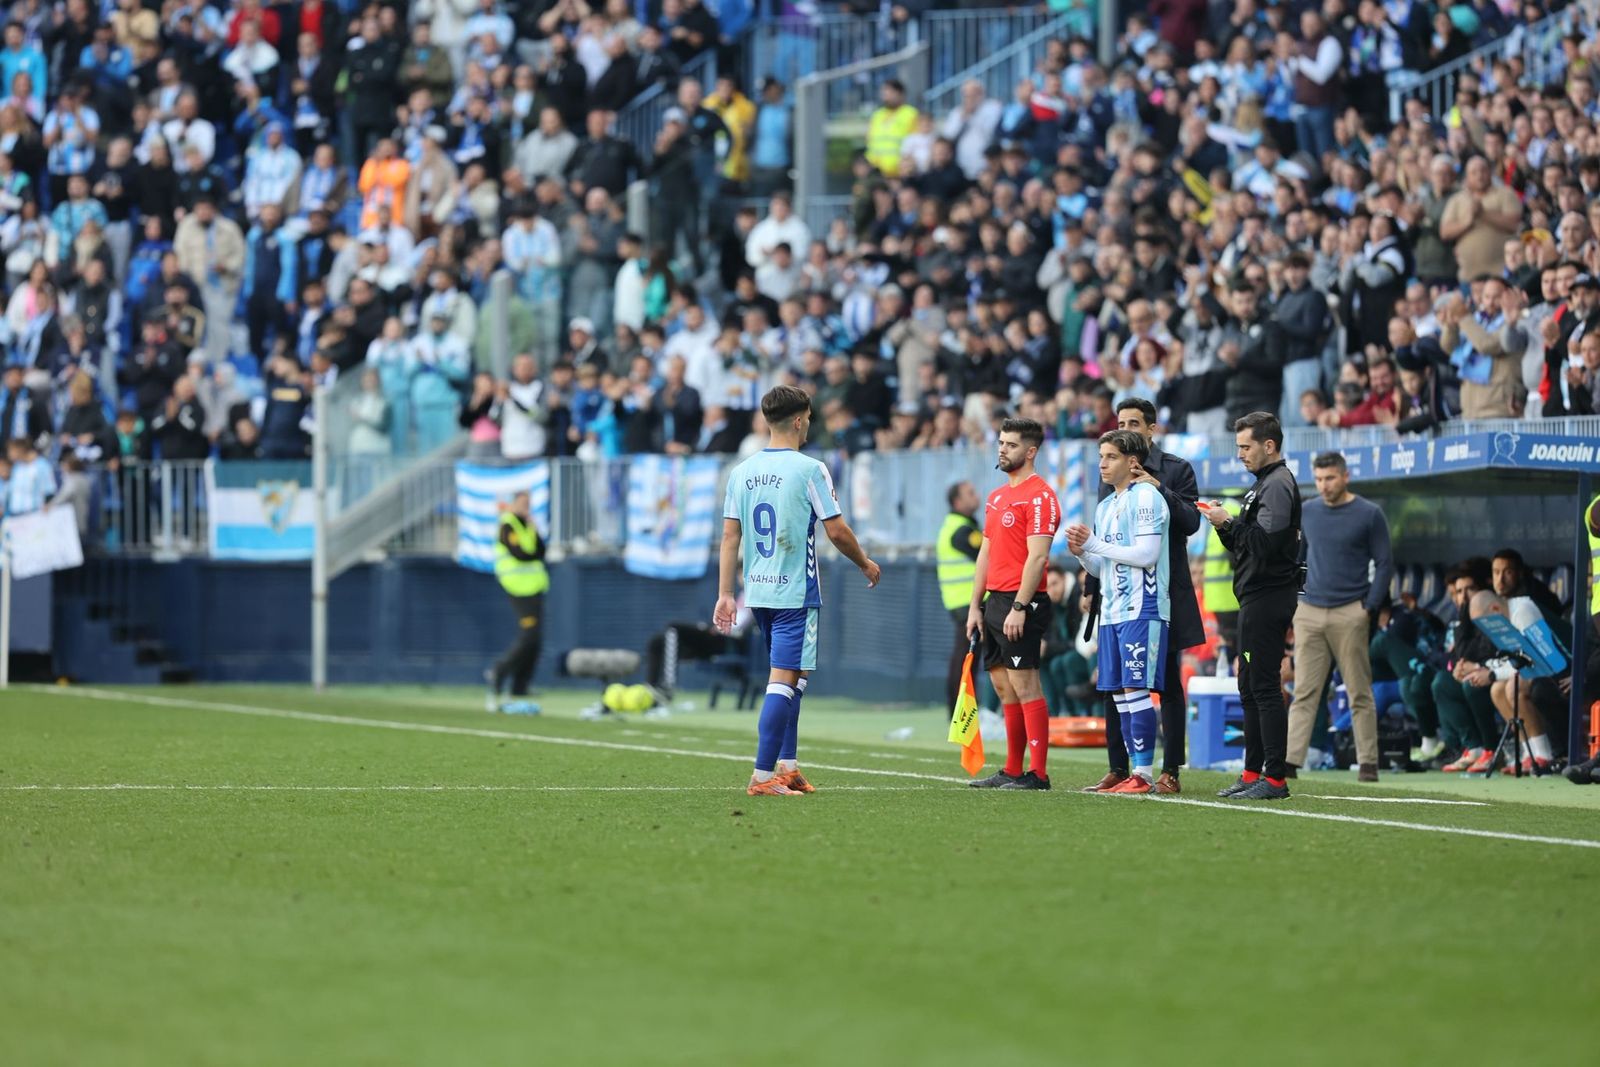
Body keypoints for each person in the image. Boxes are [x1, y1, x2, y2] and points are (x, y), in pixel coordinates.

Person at [714, 385, 879, 796]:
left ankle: (787, 766)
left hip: (758, 591)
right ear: (800, 420)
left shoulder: (741, 471)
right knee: (783, 679)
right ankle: (762, 776)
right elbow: (837, 531)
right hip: (794, 593)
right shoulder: (810, 469)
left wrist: (725, 594)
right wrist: (864, 562)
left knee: (795, 676)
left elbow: (730, 538)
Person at [1079, 397, 1203, 795]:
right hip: (1117, 595)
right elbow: (1107, 540)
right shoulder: (1111, 488)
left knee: (1165, 682)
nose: (1126, 428)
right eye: (1121, 422)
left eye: (1134, 423)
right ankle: (1120, 767)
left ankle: (1166, 770)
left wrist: (1159, 487)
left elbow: (1191, 522)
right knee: (1115, 685)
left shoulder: (1174, 471)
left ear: (1151, 429)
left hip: (1161, 590)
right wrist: (1090, 580)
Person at [1066, 429, 1172, 793]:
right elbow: (1102, 566)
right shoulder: (1106, 505)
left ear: (1132, 461)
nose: (1103, 464)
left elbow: (1147, 555)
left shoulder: (1147, 497)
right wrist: (1083, 553)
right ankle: (1133, 773)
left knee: (1134, 688)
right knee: (1119, 694)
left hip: (1142, 606)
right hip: (1112, 611)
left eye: (1111, 457)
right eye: (1101, 457)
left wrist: (1094, 544)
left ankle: (1144, 774)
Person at [1205, 412, 1303, 800]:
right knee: (1249, 686)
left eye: (1246, 447)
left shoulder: (1277, 484)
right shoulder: (1262, 484)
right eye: (1239, 447)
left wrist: (1229, 523)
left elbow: (1265, 544)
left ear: (1269, 445)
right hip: (1253, 596)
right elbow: (1245, 544)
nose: (1240, 454)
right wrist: (1222, 525)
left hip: (1268, 596)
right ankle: (1251, 773)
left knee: (1263, 687)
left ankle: (1275, 778)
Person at [1285, 452, 1394, 783]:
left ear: (1346, 477)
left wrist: (1369, 607)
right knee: (1305, 690)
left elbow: (1385, 563)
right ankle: (1289, 762)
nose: (1324, 485)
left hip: (1351, 611)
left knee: (1359, 691)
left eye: (1330, 478)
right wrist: (1297, 603)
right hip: (1310, 611)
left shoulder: (1369, 514)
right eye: (1318, 479)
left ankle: (1368, 764)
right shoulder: (1309, 511)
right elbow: (1299, 560)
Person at [965, 417, 1061, 791]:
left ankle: (1039, 773)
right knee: (1004, 688)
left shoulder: (1040, 496)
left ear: (1031, 451)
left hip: (1022, 601)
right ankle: (1012, 769)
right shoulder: (997, 496)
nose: (1003, 449)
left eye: (1011, 444)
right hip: (995, 601)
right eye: (1001, 443)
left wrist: (1020, 607)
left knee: (1026, 685)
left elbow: (1038, 558)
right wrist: (975, 606)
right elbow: (985, 555)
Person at [486, 490, 549, 712]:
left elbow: (541, 550)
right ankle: (499, 671)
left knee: (536, 639)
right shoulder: (508, 525)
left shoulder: (527, 525)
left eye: (528, 504)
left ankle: (520, 686)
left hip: (535, 586)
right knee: (529, 635)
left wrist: (534, 528)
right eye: (522, 503)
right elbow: (519, 554)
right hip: (518, 587)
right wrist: (533, 553)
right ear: (513, 504)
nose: (526, 507)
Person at [935, 479, 982, 715]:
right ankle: (960, 713)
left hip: (961, 602)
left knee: (965, 658)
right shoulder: (962, 531)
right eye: (970, 493)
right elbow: (988, 556)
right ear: (957, 502)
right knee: (967, 660)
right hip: (968, 603)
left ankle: (960, 712)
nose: (976, 496)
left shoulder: (956, 526)